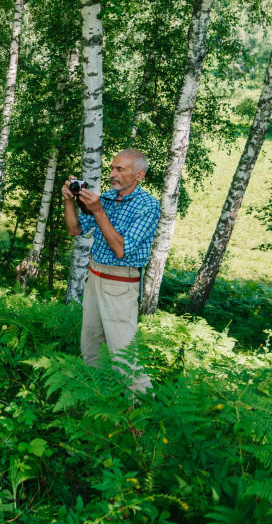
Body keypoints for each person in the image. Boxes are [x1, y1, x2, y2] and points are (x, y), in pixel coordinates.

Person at [62, 149, 160, 395]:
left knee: (122, 353)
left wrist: (97, 210)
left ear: (139, 175)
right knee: (91, 345)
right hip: (95, 277)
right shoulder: (106, 197)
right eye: (112, 168)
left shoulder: (147, 205)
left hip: (120, 282)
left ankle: (144, 410)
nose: (112, 174)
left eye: (120, 170)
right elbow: (74, 230)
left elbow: (121, 250)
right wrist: (68, 201)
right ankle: (98, 399)